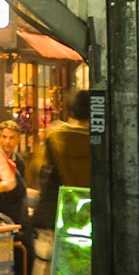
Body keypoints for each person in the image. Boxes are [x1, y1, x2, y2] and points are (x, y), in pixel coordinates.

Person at [34, 87, 93, 238]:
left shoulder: (56, 136)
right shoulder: (100, 140)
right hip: (93, 208)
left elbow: (39, 168)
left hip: (64, 207)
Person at [0, 119, 32, 275]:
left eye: (12, 138)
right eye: (4, 137)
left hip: (15, 205)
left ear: (17, 140)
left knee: (22, 238)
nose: (7, 141)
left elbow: (19, 190)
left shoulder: (18, 161)